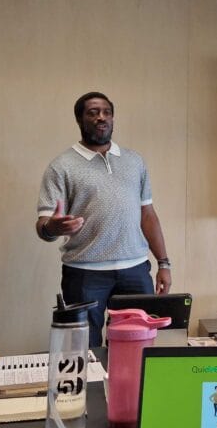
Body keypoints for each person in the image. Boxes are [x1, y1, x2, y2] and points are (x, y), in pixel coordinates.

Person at [36, 92, 171, 347]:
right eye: (93, 112)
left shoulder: (134, 161)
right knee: (85, 349)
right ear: (79, 119)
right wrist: (53, 227)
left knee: (138, 345)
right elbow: (44, 226)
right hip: (85, 273)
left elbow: (148, 214)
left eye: (107, 112)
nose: (101, 117)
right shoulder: (61, 166)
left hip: (135, 270)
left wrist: (164, 263)